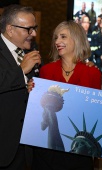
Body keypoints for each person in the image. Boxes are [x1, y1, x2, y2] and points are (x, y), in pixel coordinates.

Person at [31, 20, 101, 170]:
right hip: (47, 152)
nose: (57, 41)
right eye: (56, 37)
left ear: (76, 39)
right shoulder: (46, 71)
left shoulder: (93, 73)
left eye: (63, 37)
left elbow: (97, 113)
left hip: (78, 152)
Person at [0, 4, 41, 169]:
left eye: (35, 28)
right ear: (10, 29)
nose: (34, 34)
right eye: (29, 29)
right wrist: (21, 71)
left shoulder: (31, 51)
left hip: (25, 148)